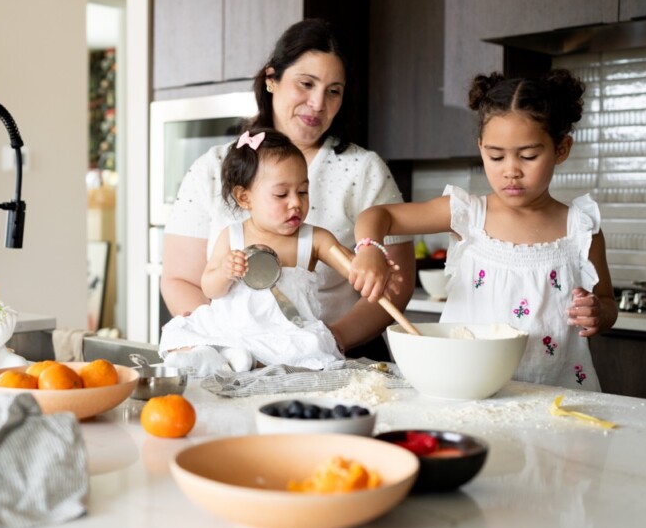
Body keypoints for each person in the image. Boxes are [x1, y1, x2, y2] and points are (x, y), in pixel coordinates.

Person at [161, 19, 415, 360]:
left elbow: (390, 289)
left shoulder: (364, 170)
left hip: (332, 357)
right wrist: (228, 345)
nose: (317, 103)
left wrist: (325, 341)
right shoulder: (211, 167)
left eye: (333, 91)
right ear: (271, 80)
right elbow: (180, 279)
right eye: (306, 84)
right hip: (231, 357)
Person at [349, 69, 617, 391]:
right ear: (481, 149)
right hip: (466, 388)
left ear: (561, 149)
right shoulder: (467, 214)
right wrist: (368, 248)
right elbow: (379, 216)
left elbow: (606, 302)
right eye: (496, 156)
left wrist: (598, 313)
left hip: (557, 395)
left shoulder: (581, 229)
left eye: (529, 156)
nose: (511, 171)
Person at [159, 128, 394, 374]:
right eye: (281, 194)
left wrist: (372, 266)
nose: (296, 202)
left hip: (287, 331)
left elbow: (353, 267)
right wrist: (225, 272)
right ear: (244, 197)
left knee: (310, 347)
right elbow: (209, 288)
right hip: (234, 328)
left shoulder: (314, 239)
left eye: (303, 191)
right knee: (183, 329)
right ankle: (218, 356)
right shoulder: (233, 236)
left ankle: (242, 362)